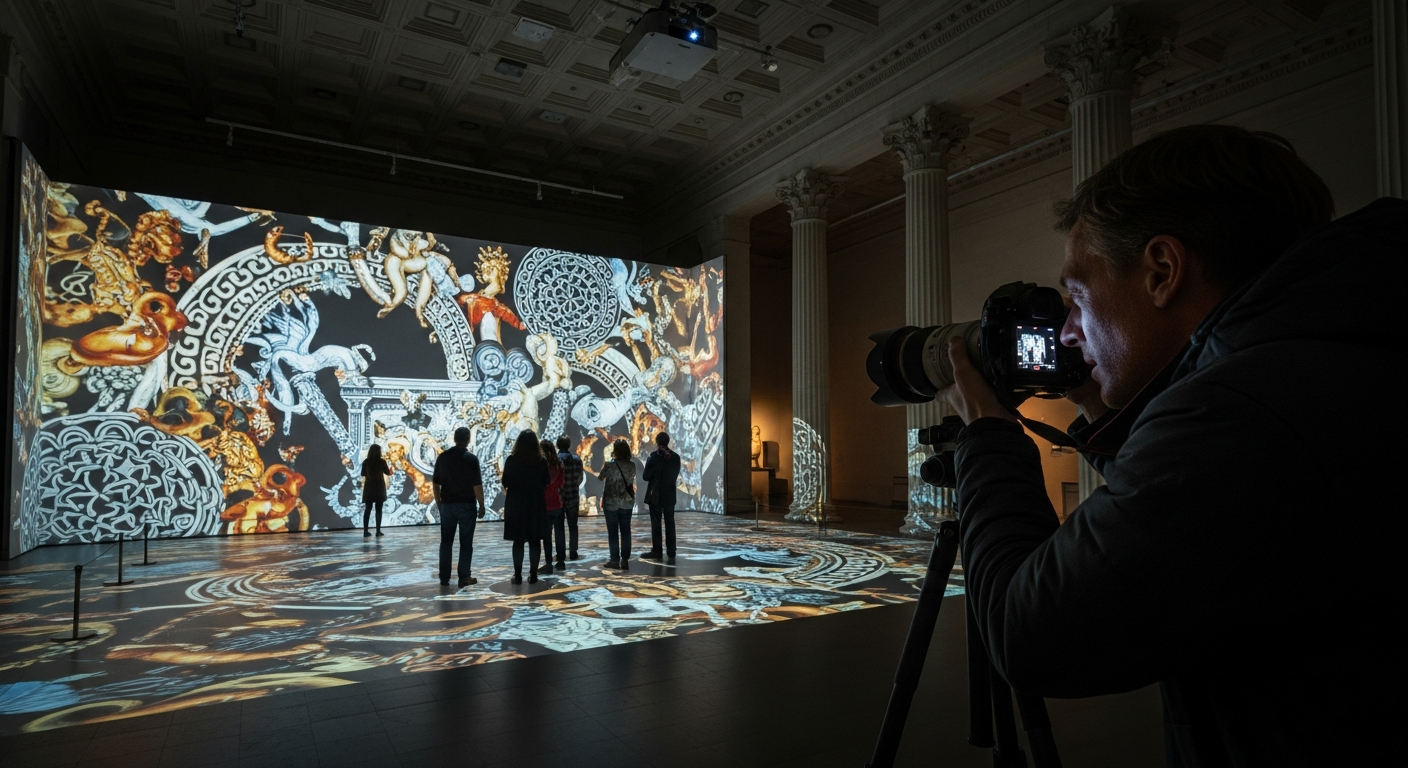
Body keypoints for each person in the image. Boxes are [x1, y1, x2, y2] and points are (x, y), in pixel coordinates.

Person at [934, 125, 1400, 767]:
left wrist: (988, 436)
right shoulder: (1330, 357)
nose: (1068, 332)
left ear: (1161, 270)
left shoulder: (1236, 415)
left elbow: (1030, 634)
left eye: (1078, 296)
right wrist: (1102, 409)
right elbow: (1192, 520)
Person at [432, 427, 484, 587]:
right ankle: (464, 577)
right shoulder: (471, 459)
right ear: (468, 439)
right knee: (466, 543)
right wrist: (482, 505)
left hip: (448, 505)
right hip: (467, 505)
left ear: (454, 439)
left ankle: (444, 577)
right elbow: (477, 485)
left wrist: (439, 502)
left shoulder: (443, 457)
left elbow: (436, 483)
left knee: (446, 542)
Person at [502, 430, 549, 584]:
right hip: (535, 504)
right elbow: (546, 481)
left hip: (516, 504)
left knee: (518, 540)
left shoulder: (511, 460)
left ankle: (517, 575)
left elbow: (505, 482)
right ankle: (533, 574)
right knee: (535, 540)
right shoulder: (541, 461)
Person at [640, 431, 681, 562]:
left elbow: (645, 476)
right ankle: (671, 551)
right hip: (670, 494)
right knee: (670, 522)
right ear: (668, 442)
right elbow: (675, 475)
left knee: (656, 523)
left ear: (657, 442)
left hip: (656, 495)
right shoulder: (676, 457)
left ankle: (657, 551)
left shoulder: (653, 457)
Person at [596, 439, 636, 570]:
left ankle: (614, 560)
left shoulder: (609, 465)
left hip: (611, 502)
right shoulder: (632, 465)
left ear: (615, 451)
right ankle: (625, 560)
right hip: (627, 501)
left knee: (613, 532)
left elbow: (600, 478)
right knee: (626, 531)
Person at [556, 436, 584, 562]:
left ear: (557, 445)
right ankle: (573, 552)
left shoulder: (555, 460)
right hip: (573, 496)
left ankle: (560, 553)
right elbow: (580, 478)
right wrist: (573, 486)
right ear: (569, 445)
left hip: (558, 498)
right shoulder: (576, 459)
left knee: (559, 527)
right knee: (573, 526)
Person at [539, 439, 564, 574]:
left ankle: (548, 564)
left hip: (545, 505)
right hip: (557, 503)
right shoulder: (559, 465)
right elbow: (562, 483)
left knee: (547, 537)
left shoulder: (541, 465)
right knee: (559, 533)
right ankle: (561, 561)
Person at [360, 443, 392, 537]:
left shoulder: (366, 462)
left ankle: (365, 531)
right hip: (379, 487)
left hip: (369, 488)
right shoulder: (381, 462)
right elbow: (387, 472)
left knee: (368, 509)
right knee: (379, 509)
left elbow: (362, 474)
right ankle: (378, 531)